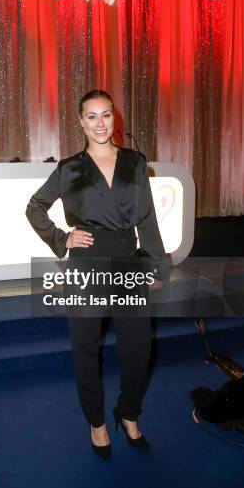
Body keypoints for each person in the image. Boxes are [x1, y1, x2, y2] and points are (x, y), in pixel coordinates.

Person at [25, 89, 170, 459]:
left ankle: (129, 413)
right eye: (92, 116)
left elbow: (147, 216)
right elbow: (35, 207)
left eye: (106, 115)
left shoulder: (136, 162)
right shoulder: (69, 168)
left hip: (128, 262)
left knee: (139, 349)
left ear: (114, 119)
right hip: (86, 266)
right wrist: (62, 237)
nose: (100, 123)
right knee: (86, 349)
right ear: (80, 121)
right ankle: (96, 421)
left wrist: (156, 263)